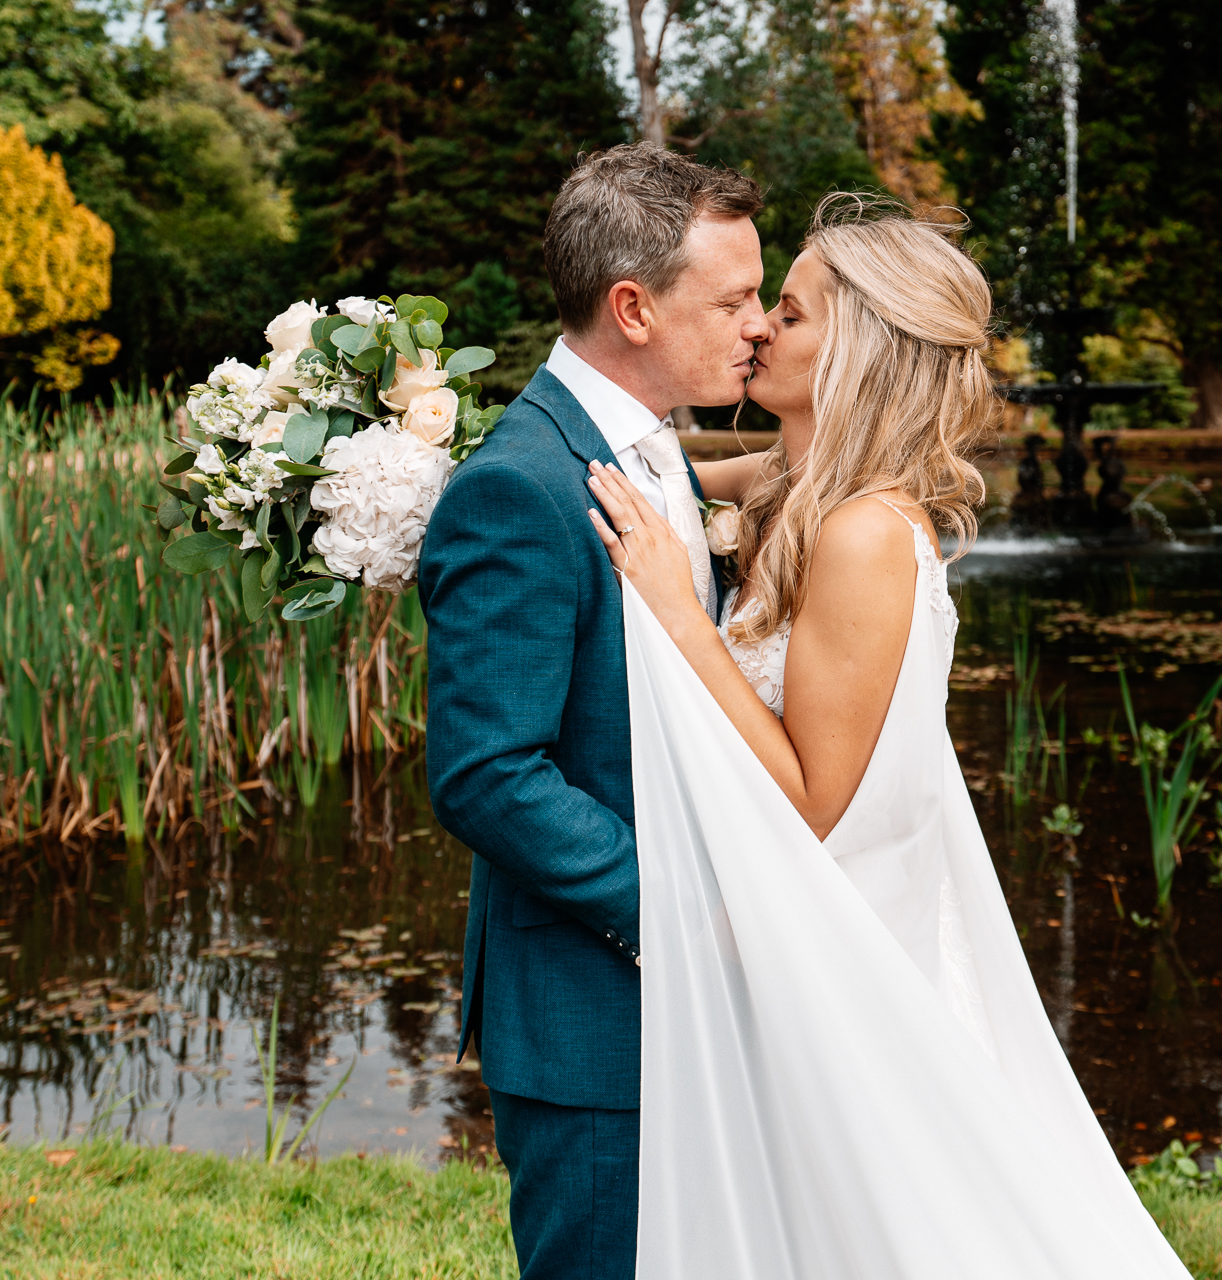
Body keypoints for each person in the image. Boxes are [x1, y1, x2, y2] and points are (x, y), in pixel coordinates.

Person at [586, 194, 1194, 1277]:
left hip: (843, 954)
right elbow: (648, 472)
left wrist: (682, 613)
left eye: (792, 311)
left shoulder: (867, 531)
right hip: (795, 940)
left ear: (861, 348)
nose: (762, 326)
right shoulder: (798, 487)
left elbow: (816, 797)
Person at [418, 142, 768, 1279]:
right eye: (734, 298)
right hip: (593, 1013)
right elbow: (487, 772)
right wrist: (680, 916)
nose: (758, 324)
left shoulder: (647, 438)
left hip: (674, 1002)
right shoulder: (516, 488)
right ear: (634, 306)